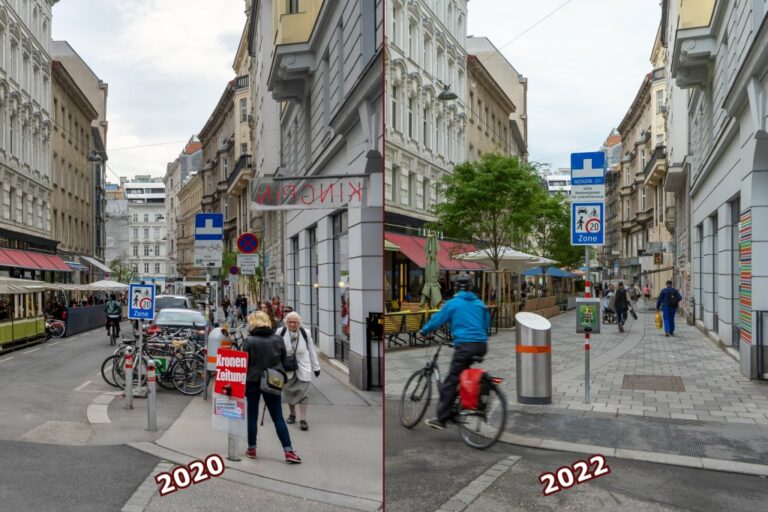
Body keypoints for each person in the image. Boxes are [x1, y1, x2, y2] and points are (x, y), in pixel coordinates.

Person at [419, 274, 490, 430]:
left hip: (465, 346)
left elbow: (438, 319)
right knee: (461, 374)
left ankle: (442, 419)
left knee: (450, 381)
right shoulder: (479, 303)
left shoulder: (453, 303)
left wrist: (424, 332)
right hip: (481, 345)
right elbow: (486, 323)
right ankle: (461, 403)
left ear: (456, 287)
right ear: (471, 287)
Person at [242, 311, 301, 463]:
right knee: (278, 417)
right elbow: (283, 359)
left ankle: (252, 448)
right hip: (272, 380)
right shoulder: (277, 339)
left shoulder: (249, 341)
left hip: (253, 381)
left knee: (252, 416)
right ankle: (289, 451)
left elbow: (244, 363)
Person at [278, 311, 321, 431]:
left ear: (299, 323)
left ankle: (303, 419)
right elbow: (275, 350)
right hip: (287, 368)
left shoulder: (305, 333)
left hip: (303, 368)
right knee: (289, 393)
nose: (292, 324)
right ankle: (292, 414)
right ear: (286, 322)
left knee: (303, 394)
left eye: (295, 322)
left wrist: (316, 367)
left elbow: (312, 351)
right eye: (290, 322)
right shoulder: (280, 332)